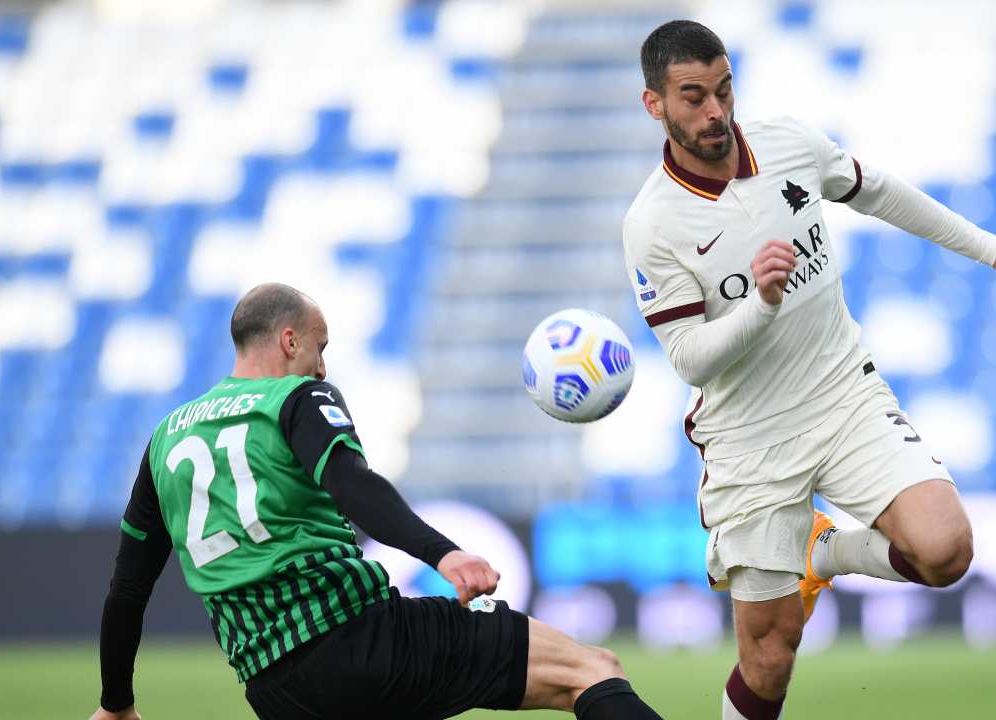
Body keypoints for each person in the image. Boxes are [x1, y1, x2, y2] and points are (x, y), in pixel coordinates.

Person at [622, 20, 996, 720]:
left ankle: (822, 554)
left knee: (945, 551)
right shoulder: (652, 224)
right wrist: (762, 304)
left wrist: (988, 248)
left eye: (723, 89)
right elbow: (690, 358)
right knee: (769, 662)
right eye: (693, 98)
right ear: (656, 105)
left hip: (842, 396)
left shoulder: (788, 144)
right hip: (751, 441)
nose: (715, 111)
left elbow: (879, 190)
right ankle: (811, 557)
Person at [90, 283, 662, 720]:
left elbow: (126, 590)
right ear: (290, 340)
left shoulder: (164, 440)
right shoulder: (295, 398)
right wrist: (443, 554)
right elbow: (352, 485)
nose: (322, 364)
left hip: (274, 691)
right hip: (361, 640)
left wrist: (116, 702)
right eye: (320, 347)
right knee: (590, 669)